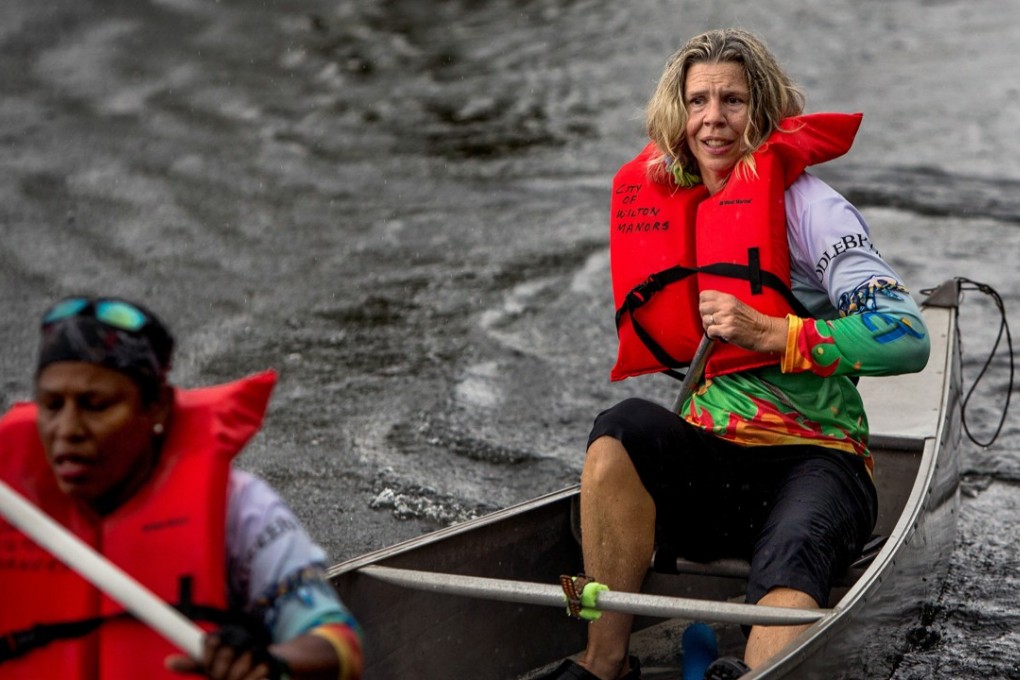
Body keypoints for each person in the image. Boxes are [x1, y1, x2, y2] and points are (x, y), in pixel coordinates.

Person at [540, 29, 930, 680]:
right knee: (619, 433)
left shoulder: (813, 210)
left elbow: (906, 333)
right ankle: (603, 661)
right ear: (679, 112)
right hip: (716, 467)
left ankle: (755, 672)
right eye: (698, 102)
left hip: (817, 461)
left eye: (733, 101)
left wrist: (779, 334)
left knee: (796, 546)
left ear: (765, 111)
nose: (713, 119)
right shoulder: (674, 199)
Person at [0, 296, 363, 680]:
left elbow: (339, 644)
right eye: (52, 405)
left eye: (96, 405)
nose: (68, 430)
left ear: (156, 407)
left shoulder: (239, 508)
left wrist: (269, 661)